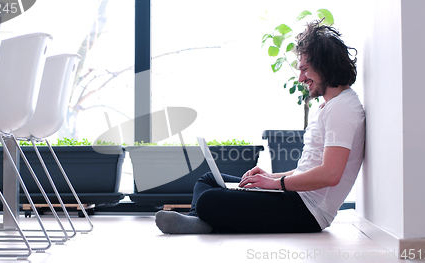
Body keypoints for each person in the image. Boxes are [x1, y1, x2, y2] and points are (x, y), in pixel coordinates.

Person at [155, 20, 365, 234]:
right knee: (208, 180)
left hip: (308, 211)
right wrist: (272, 177)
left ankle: (202, 219)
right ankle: (198, 222)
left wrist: (277, 184)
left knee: (209, 199)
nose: (301, 78)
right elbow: (310, 169)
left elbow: (330, 175)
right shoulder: (330, 106)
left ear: (324, 64)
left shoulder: (343, 108)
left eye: (305, 69)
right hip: (295, 197)